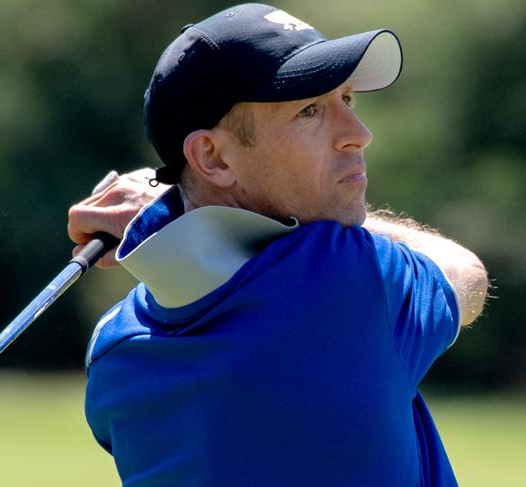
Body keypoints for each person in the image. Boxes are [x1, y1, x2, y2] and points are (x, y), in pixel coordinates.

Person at [68, 3, 488, 486]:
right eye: (308, 110)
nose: (359, 135)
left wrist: (172, 212)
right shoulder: (343, 276)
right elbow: (465, 272)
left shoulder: (115, 354)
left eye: (347, 100)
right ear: (212, 156)